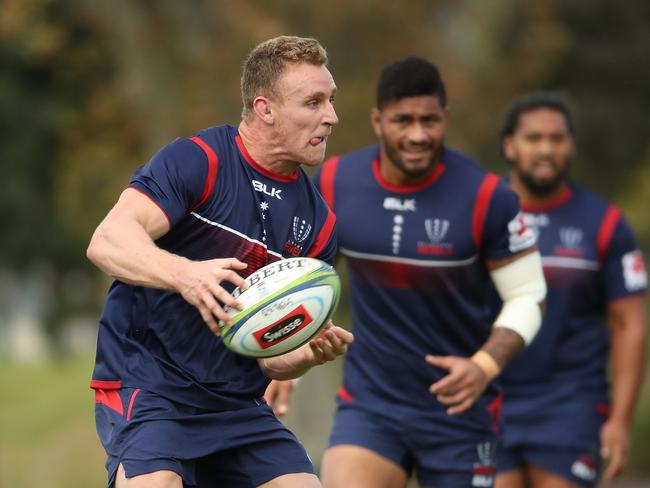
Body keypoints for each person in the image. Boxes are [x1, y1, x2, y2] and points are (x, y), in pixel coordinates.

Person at [86, 35, 353, 488]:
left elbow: (269, 360)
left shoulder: (320, 225)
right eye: (313, 102)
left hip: (235, 404)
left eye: (330, 100)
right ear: (265, 108)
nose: (331, 116)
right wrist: (184, 274)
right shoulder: (201, 160)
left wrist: (303, 355)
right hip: (150, 386)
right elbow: (107, 241)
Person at [310, 56, 546, 488]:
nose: (417, 135)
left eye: (429, 120)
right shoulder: (335, 181)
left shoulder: (487, 196)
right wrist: (280, 354)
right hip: (371, 406)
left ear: (445, 119)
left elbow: (529, 295)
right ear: (378, 121)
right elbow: (305, 277)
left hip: (460, 412)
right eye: (403, 120)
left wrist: (485, 365)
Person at [494, 92, 648, 488]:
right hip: (487, 399)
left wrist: (620, 421)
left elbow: (630, 325)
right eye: (534, 138)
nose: (546, 149)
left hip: (572, 406)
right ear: (510, 145)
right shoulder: (480, 213)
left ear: (571, 145)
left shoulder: (605, 223)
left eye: (557, 138)